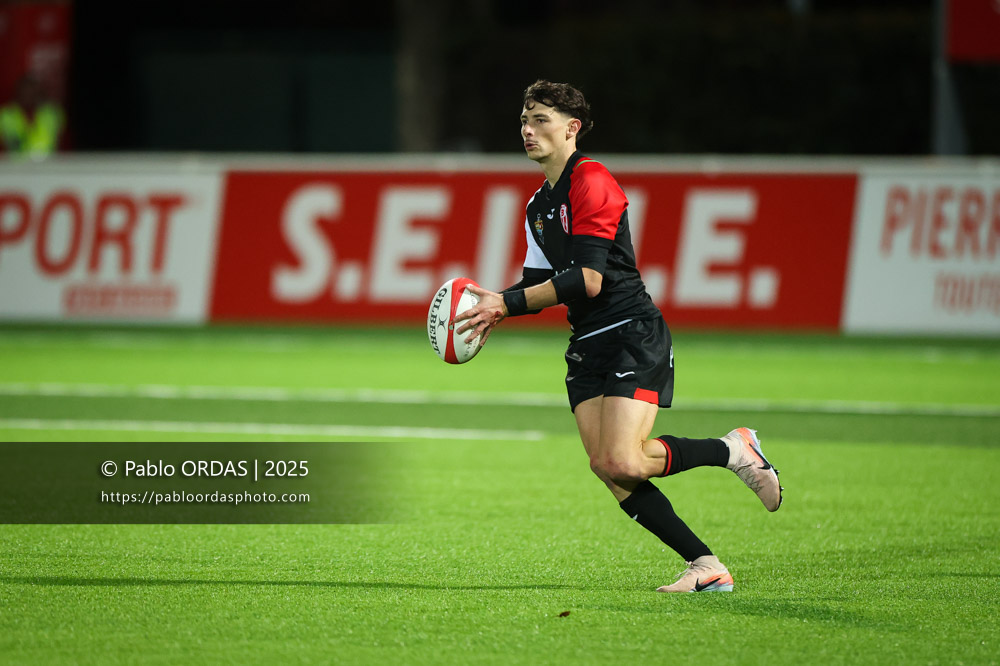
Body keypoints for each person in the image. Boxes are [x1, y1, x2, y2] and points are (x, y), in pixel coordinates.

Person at [454, 80, 783, 593]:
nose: (527, 128)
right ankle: (705, 565)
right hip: (587, 342)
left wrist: (507, 302)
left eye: (540, 119)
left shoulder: (593, 181)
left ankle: (734, 450)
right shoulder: (538, 206)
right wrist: (496, 307)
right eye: (524, 118)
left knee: (626, 458)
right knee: (608, 468)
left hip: (632, 331)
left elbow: (588, 279)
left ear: (572, 128)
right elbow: (537, 283)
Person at [0, 74, 65, 158]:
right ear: (17, 93)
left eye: (32, 91)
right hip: (15, 166)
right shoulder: (5, 115)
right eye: (24, 91)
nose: (28, 95)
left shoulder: (51, 114)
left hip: (47, 165)